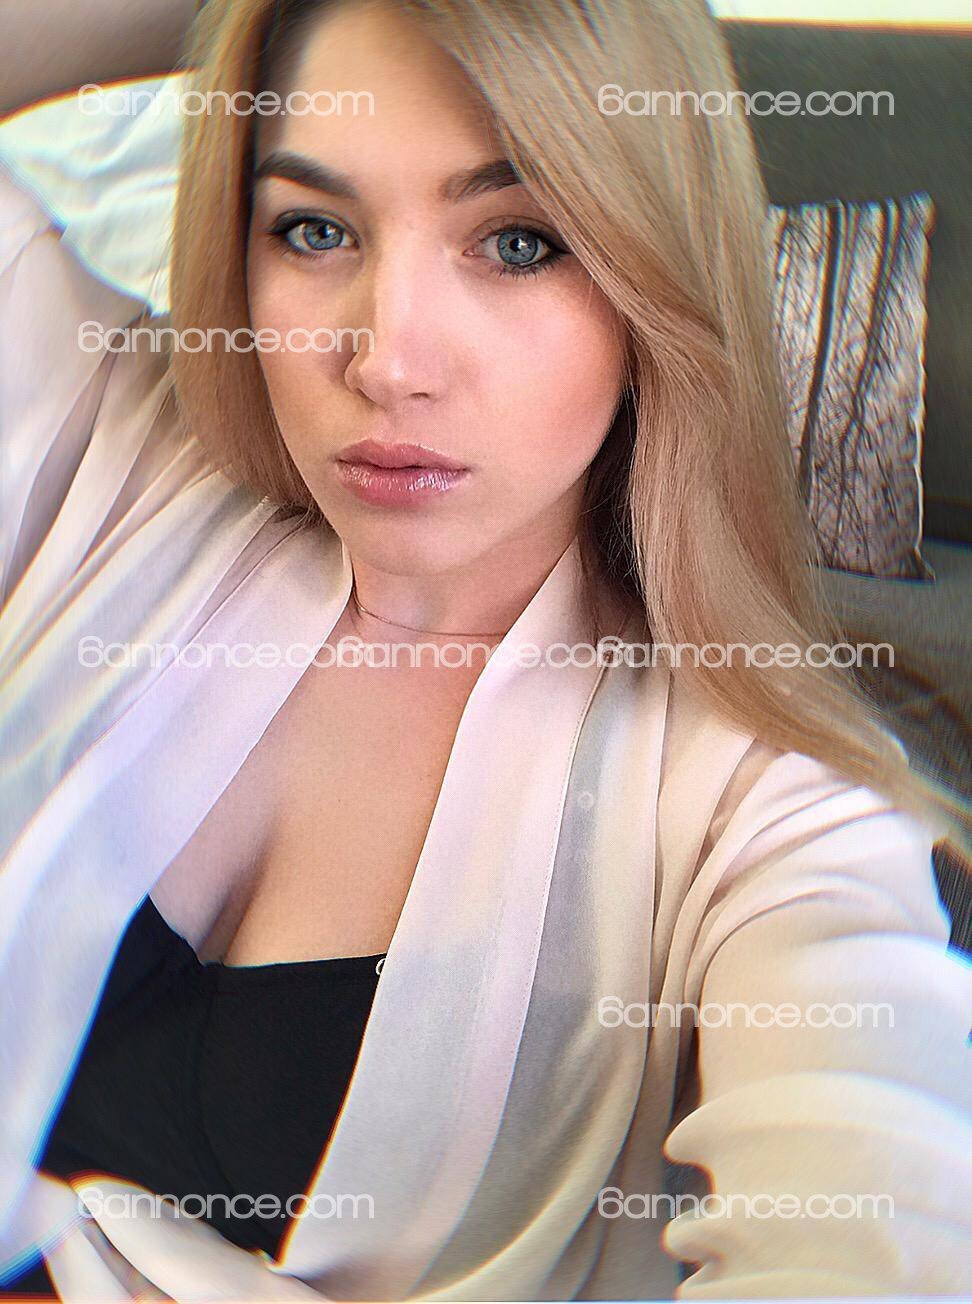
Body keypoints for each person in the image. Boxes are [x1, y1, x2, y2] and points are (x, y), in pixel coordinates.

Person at [1, 0, 970, 1298]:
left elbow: (877, 1218)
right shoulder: (116, 463)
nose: (386, 361)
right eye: (315, 229)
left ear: (653, 285)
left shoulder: (761, 811)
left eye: (520, 242)